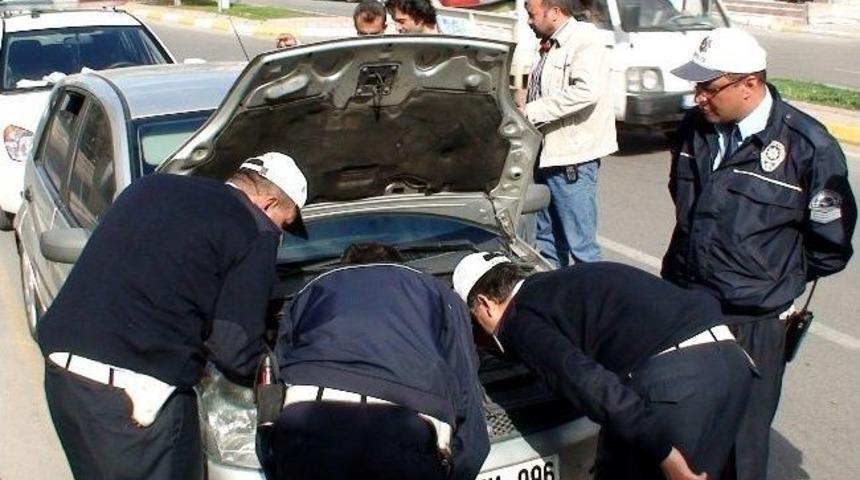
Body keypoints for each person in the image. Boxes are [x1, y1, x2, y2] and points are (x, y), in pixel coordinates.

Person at [38, 152, 308, 480]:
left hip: (64, 378)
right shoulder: (253, 228)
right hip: (132, 399)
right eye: (284, 223)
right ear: (268, 203)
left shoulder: (151, 187)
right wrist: (276, 376)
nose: (279, 234)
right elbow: (234, 349)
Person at [663, 27, 856, 480]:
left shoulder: (809, 147)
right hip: (685, 306)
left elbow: (830, 243)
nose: (698, 98)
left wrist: (770, 278)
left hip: (753, 322)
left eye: (709, 87)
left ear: (749, 84)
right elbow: (683, 199)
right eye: (696, 86)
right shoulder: (694, 129)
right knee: (680, 431)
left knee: (741, 447)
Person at [453, 253, 755, 480]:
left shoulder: (519, 321)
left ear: (484, 303)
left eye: (474, 323)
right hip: (731, 361)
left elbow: (589, 383)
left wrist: (665, 454)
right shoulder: (563, 283)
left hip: (678, 385)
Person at [268, 242, 489, 480]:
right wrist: (462, 466)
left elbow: (274, 376)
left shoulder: (309, 292)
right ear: (398, 267)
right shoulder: (440, 294)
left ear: (346, 268)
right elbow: (466, 388)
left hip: (306, 426)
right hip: (405, 434)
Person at [516, 0, 617, 267]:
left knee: (581, 246)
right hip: (545, 155)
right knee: (547, 241)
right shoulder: (547, 44)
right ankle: (556, 289)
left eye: (532, 14)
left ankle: (594, 293)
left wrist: (532, 111)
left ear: (554, 12)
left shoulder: (584, 41)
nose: (529, 21)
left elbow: (587, 91)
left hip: (571, 160)